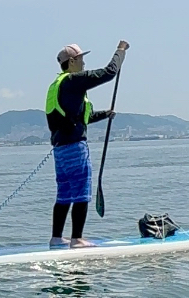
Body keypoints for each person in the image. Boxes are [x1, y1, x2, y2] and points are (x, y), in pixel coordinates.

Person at [45, 40, 128, 248]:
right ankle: (77, 239)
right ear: (72, 61)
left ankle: (56, 238)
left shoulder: (58, 85)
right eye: (81, 59)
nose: (83, 64)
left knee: (64, 194)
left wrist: (105, 114)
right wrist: (120, 51)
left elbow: (83, 118)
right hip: (75, 148)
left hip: (60, 150)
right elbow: (110, 72)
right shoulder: (74, 80)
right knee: (81, 191)